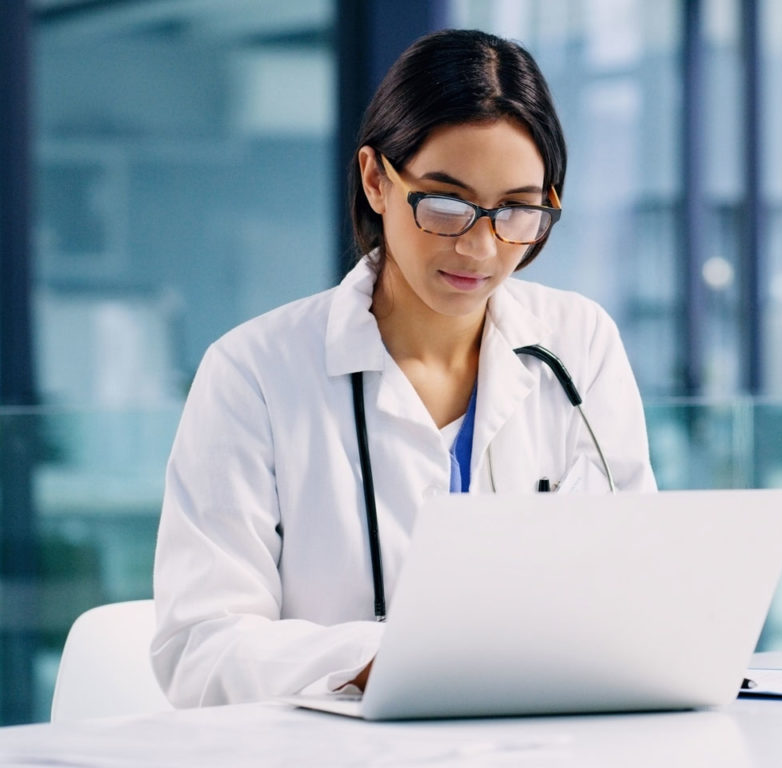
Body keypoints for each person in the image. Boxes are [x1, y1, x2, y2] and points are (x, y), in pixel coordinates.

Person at [151, 28, 657, 708]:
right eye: (446, 205)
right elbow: (200, 649)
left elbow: (640, 580)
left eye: (516, 211)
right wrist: (382, 660)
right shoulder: (253, 373)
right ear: (375, 181)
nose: (480, 247)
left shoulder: (579, 342)